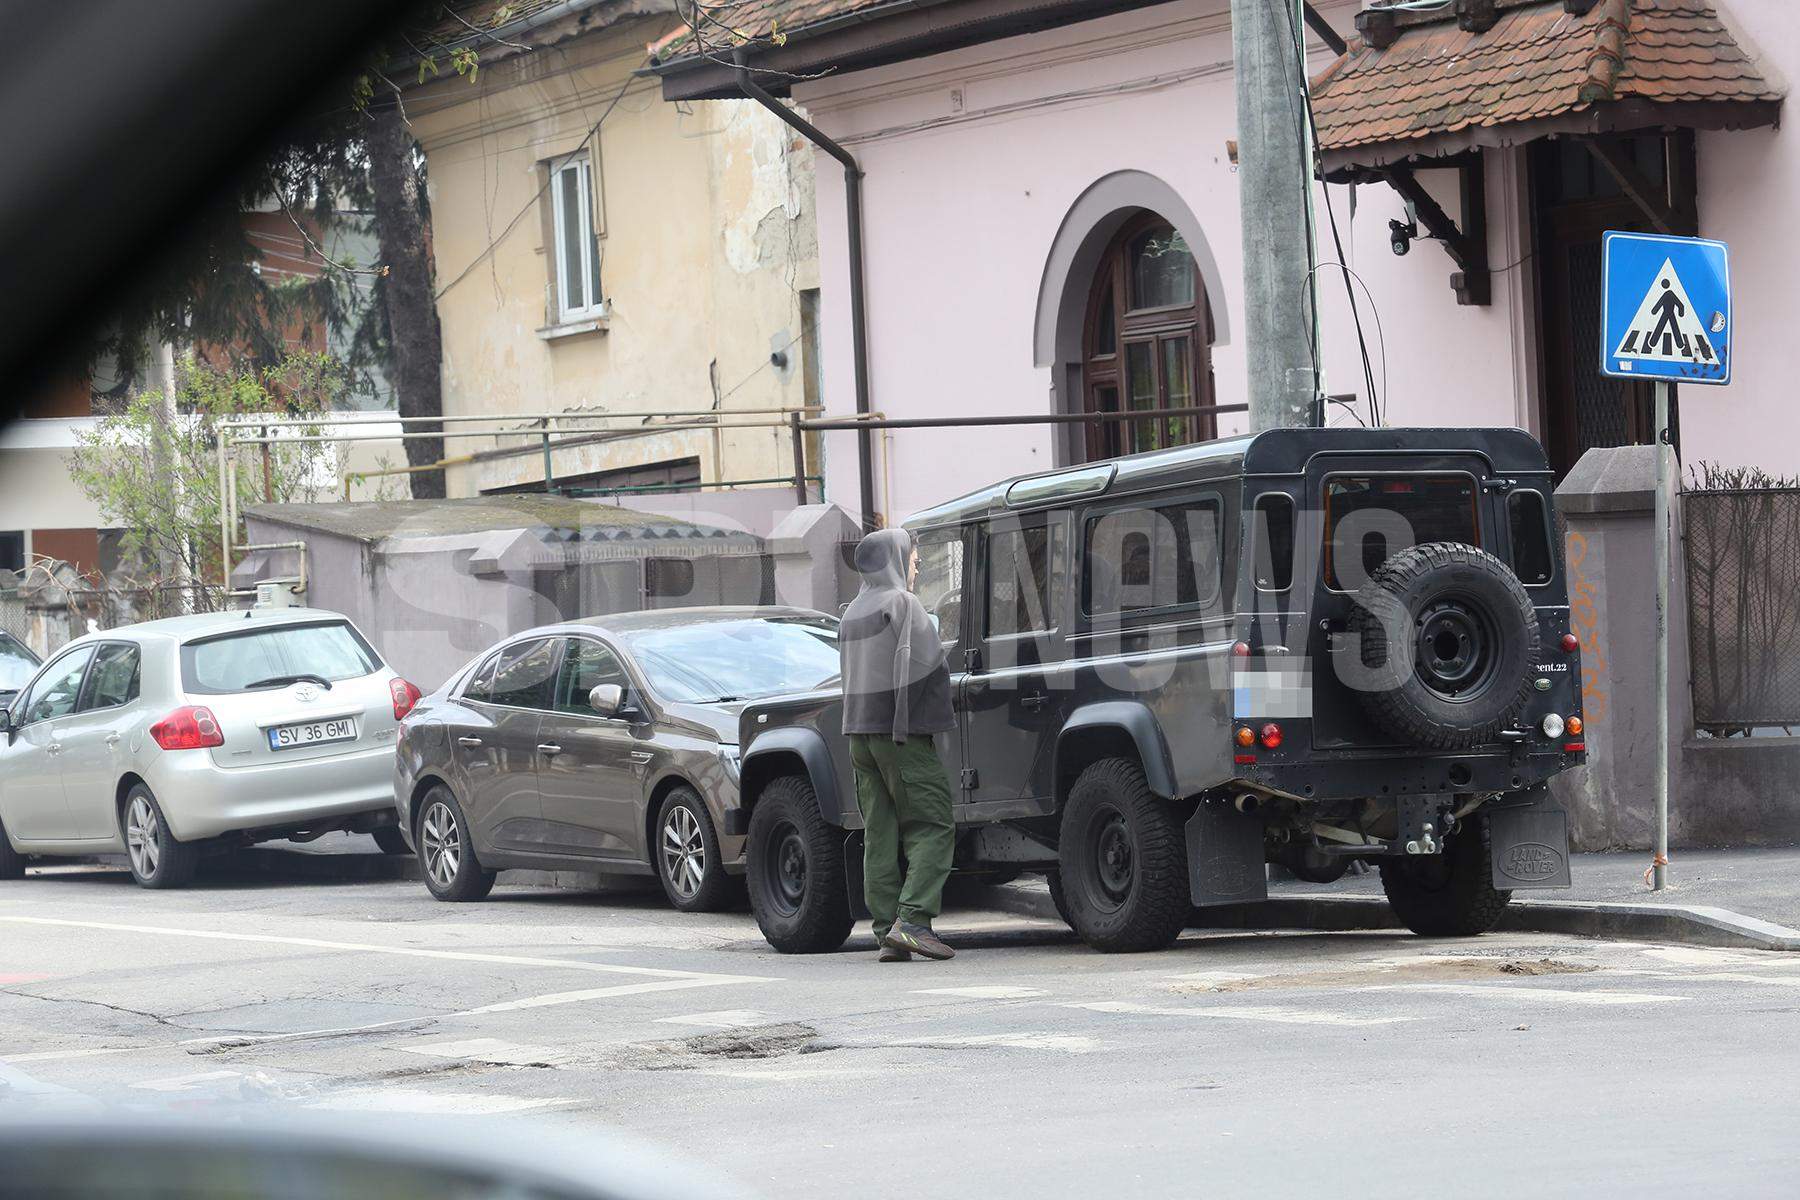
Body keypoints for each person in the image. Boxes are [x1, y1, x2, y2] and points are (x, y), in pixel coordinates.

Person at [838, 527, 957, 961]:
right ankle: (914, 921)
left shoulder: (851, 611)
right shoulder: (902, 604)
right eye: (911, 557)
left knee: (880, 834)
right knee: (933, 825)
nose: (916, 564)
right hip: (898, 735)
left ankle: (887, 930)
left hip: (859, 737)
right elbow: (926, 665)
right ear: (892, 559)